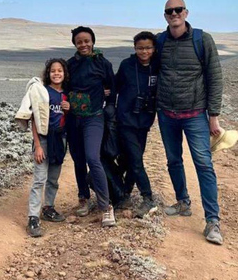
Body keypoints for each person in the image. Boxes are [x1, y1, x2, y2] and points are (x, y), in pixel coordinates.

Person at [155, 0, 224, 245]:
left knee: (204, 165)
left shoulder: (201, 40)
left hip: (195, 114)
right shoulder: (159, 41)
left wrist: (213, 116)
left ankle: (213, 221)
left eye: (178, 10)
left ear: (186, 12)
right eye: (169, 11)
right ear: (165, 16)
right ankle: (183, 202)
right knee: (173, 160)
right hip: (166, 113)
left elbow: (215, 77)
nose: (174, 14)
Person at [66, 26, 116, 227]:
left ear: (93, 41)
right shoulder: (70, 64)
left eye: (87, 40)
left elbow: (112, 89)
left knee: (92, 158)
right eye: (79, 42)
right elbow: (63, 87)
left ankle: (106, 207)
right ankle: (83, 199)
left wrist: (109, 105)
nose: (83, 44)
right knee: (78, 160)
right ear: (75, 44)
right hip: (73, 119)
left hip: (94, 117)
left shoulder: (103, 63)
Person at [15, 59, 70, 237]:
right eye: (53, 71)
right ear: (48, 73)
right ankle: (33, 217)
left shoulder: (67, 94)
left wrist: (69, 109)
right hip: (44, 140)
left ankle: (48, 208)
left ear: (64, 73)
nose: (56, 73)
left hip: (60, 140)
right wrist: (37, 146)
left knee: (53, 178)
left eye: (59, 70)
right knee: (39, 179)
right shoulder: (42, 92)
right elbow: (34, 120)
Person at [115, 31, 159, 218]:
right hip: (126, 120)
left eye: (148, 47)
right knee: (135, 158)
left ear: (154, 48)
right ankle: (147, 197)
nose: (144, 51)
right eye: (140, 48)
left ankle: (124, 193)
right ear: (135, 48)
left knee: (133, 159)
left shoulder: (157, 66)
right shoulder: (126, 65)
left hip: (145, 121)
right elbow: (114, 88)